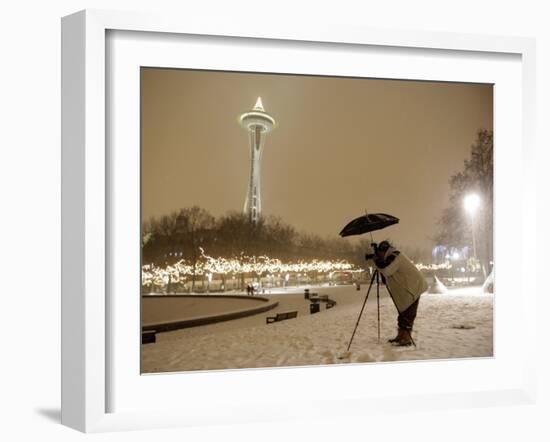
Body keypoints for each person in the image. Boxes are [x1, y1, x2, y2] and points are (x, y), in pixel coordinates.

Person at [367, 240, 428, 346]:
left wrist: (376, 260)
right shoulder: (390, 257)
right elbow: (386, 274)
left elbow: (386, 270)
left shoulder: (395, 255)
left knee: (408, 313)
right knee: (403, 312)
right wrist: (378, 261)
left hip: (414, 287)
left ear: (384, 251)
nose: (379, 255)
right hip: (408, 288)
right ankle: (401, 335)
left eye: (380, 253)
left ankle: (406, 338)